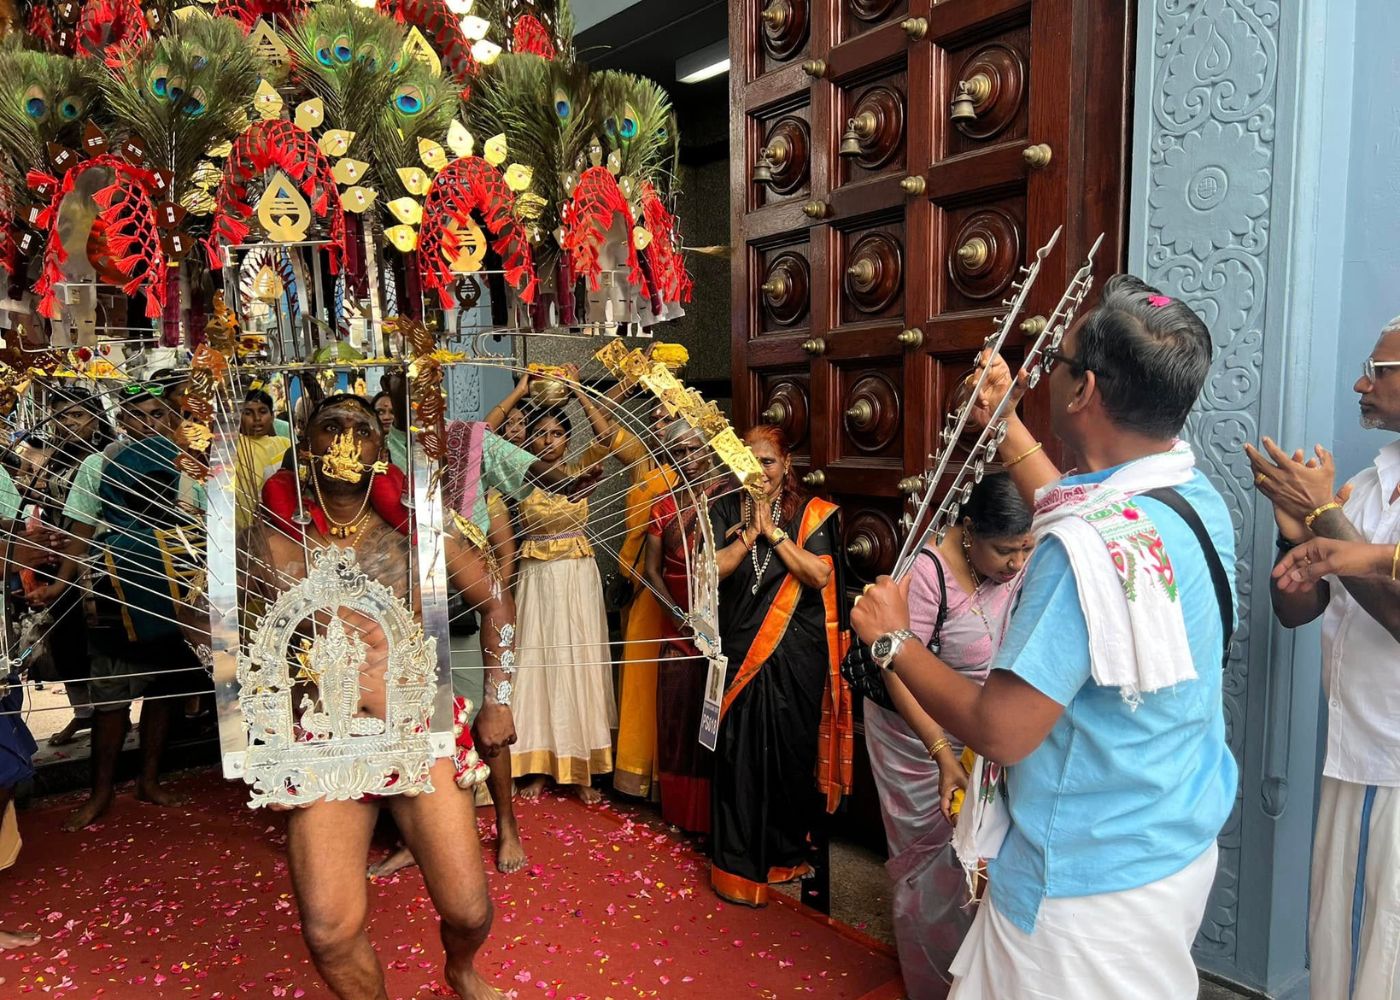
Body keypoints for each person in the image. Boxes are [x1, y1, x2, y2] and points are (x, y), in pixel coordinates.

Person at [851, 275, 1237, 998]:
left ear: (1084, 389)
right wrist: (1003, 417)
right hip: (1167, 840)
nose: (1044, 376)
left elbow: (1001, 731)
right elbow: (1082, 510)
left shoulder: (1072, 557)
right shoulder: (1187, 500)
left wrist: (893, 641)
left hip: (1081, 881)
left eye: (1053, 364)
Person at [244, 394, 510, 1000]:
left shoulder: (421, 528)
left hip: (413, 728)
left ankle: (462, 969)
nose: (345, 438)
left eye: (360, 427)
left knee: (469, 911)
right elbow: (222, 632)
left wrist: (500, 698)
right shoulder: (268, 537)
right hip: (324, 741)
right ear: (304, 445)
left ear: (378, 446)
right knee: (330, 933)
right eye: (329, 426)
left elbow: (496, 602)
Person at [1245, 317, 1400, 1000]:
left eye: (1381, 370)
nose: (1361, 384)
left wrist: (1326, 521)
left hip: (1397, 766)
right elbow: (1301, 612)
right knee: (1334, 946)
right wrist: (1292, 541)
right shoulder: (1367, 486)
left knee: (1386, 956)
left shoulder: (1346, 503)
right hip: (1351, 754)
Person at [863, 473, 1033, 998]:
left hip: (980, 730)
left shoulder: (1020, 569)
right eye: (1005, 550)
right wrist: (941, 752)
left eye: (1026, 548)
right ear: (969, 531)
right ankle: (931, 980)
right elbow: (895, 667)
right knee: (929, 867)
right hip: (914, 736)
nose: (1017, 563)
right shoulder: (930, 576)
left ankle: (972, 978)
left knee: (978, 863)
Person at [42, 382, 204, 830]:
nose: (150, 423)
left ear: (169, 419)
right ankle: (100, 793)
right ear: (124, 420)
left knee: (165, 690)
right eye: (139, 416)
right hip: (117, 590)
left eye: (158, 415)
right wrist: (58, 586)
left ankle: (149, 781)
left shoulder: (187, 461)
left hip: (177, 591)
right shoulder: (99, 463)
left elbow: (202, 521)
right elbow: (78, 529)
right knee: (110, 698)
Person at [707, 424, 850, 906]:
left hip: (795, 658)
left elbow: (819, 573)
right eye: (748, 461)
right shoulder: (725, 507)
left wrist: (775, 535)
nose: (758, 471)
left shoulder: (813, 514)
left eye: (767, 461)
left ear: (786, 464)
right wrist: (750, 534)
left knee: (788, 755)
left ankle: (783, 854)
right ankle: (735, 865)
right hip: (742, 650)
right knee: (739, 758)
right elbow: (713, 570)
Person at [509, 380, 624, 804]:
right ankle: (538, 765)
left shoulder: (580, 467)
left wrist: (577, 393)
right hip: (536, 577)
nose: (548, 440)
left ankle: (580, 771)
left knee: (576, 660)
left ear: (568, 439)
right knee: (537, 665)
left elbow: (608, 438)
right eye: (541, 432)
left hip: (575, 576)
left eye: (557, 434)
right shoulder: (520, 469)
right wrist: (522, 391)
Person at [641, 421, 723, 832]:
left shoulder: (728, 498)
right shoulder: (662, 506)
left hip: (720, 625)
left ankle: (712, 816)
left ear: (709, 449)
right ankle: (679, 813)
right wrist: (675, 614)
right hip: (677, 625)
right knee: (678, 719)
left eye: (694, 450)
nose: (688, 461)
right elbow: (651, 571)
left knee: (714, 721)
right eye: (679, 454)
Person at [29, 393, 115, 746]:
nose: (68, 423)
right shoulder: (52, 461)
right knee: (66, 640)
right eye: (60, 417)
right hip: (58, 561)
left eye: (77, 415)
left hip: (97, 560)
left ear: (96, 420)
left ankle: (110, 713)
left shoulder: (108, 459)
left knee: (102, 639)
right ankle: (82, 714)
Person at [235, 388, 290, 532]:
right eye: (248, 413)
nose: (257, 418)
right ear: (238, 417)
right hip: (248, 527)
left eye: (263, 411)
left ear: (272, 416)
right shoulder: (234, 447)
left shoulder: (285, 444)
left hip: (286, 522)